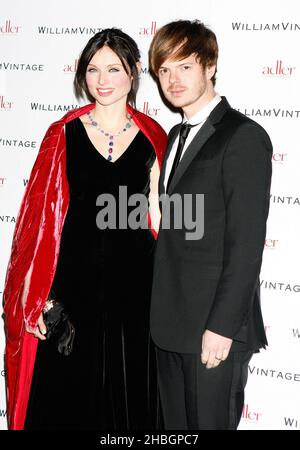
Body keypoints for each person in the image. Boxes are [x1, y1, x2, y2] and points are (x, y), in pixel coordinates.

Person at [4, 28, 167, 430]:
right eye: (93, 70)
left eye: (113, 69)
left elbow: (163, 222)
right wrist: (38, 297)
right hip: (72, 295)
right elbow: (35, 228)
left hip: (137, 295)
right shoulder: (61, 135)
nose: (102, 80)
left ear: (132, 72)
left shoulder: (155, 137)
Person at [148, 20, 272, 430]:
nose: (173, 79)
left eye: (184, 66)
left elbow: (246, 243)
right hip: (170, 327)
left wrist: (220, 328)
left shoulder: (243, 136)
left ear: (210, 65)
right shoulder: (173, 137)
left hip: (213, 334)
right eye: (164, 70)